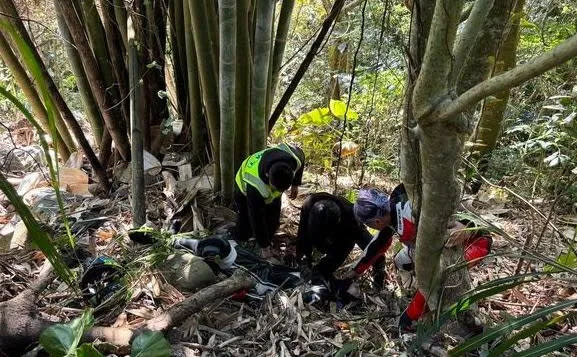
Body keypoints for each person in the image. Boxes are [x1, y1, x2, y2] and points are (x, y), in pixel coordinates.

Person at [352, 184, 493, 329]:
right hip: (433, 246)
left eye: (369, 225)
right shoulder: (393, 208)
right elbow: (377, 245)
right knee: (400, 261)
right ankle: (414, 291)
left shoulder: (406, 213)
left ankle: (466, 320)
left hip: (476, 243)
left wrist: (410, 315)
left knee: (444, 276)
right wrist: (354, 271)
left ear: (376, 222)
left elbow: (434, 275)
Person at [296, 192, 386, 289]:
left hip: (344, 232)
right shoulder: (309, 204)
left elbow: (367, 248)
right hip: (317, 232)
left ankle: (322, 270)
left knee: (376, 252)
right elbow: (302, 236)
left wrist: (323, 268)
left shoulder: (351, 219)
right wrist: (304, 262)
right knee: (307, 247)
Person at [234, 143, 305, 260]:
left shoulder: (294, 158)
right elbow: (256, 218)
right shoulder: (255, 185)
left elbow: (302, 156)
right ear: (267, 175)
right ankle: (243, 241)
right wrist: (264, 247)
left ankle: (268, 239)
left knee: (273, 219)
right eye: (275, 188)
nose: (277, 191)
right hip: (243, 191)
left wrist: (295, 184)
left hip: (268, 190)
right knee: (245, 224)